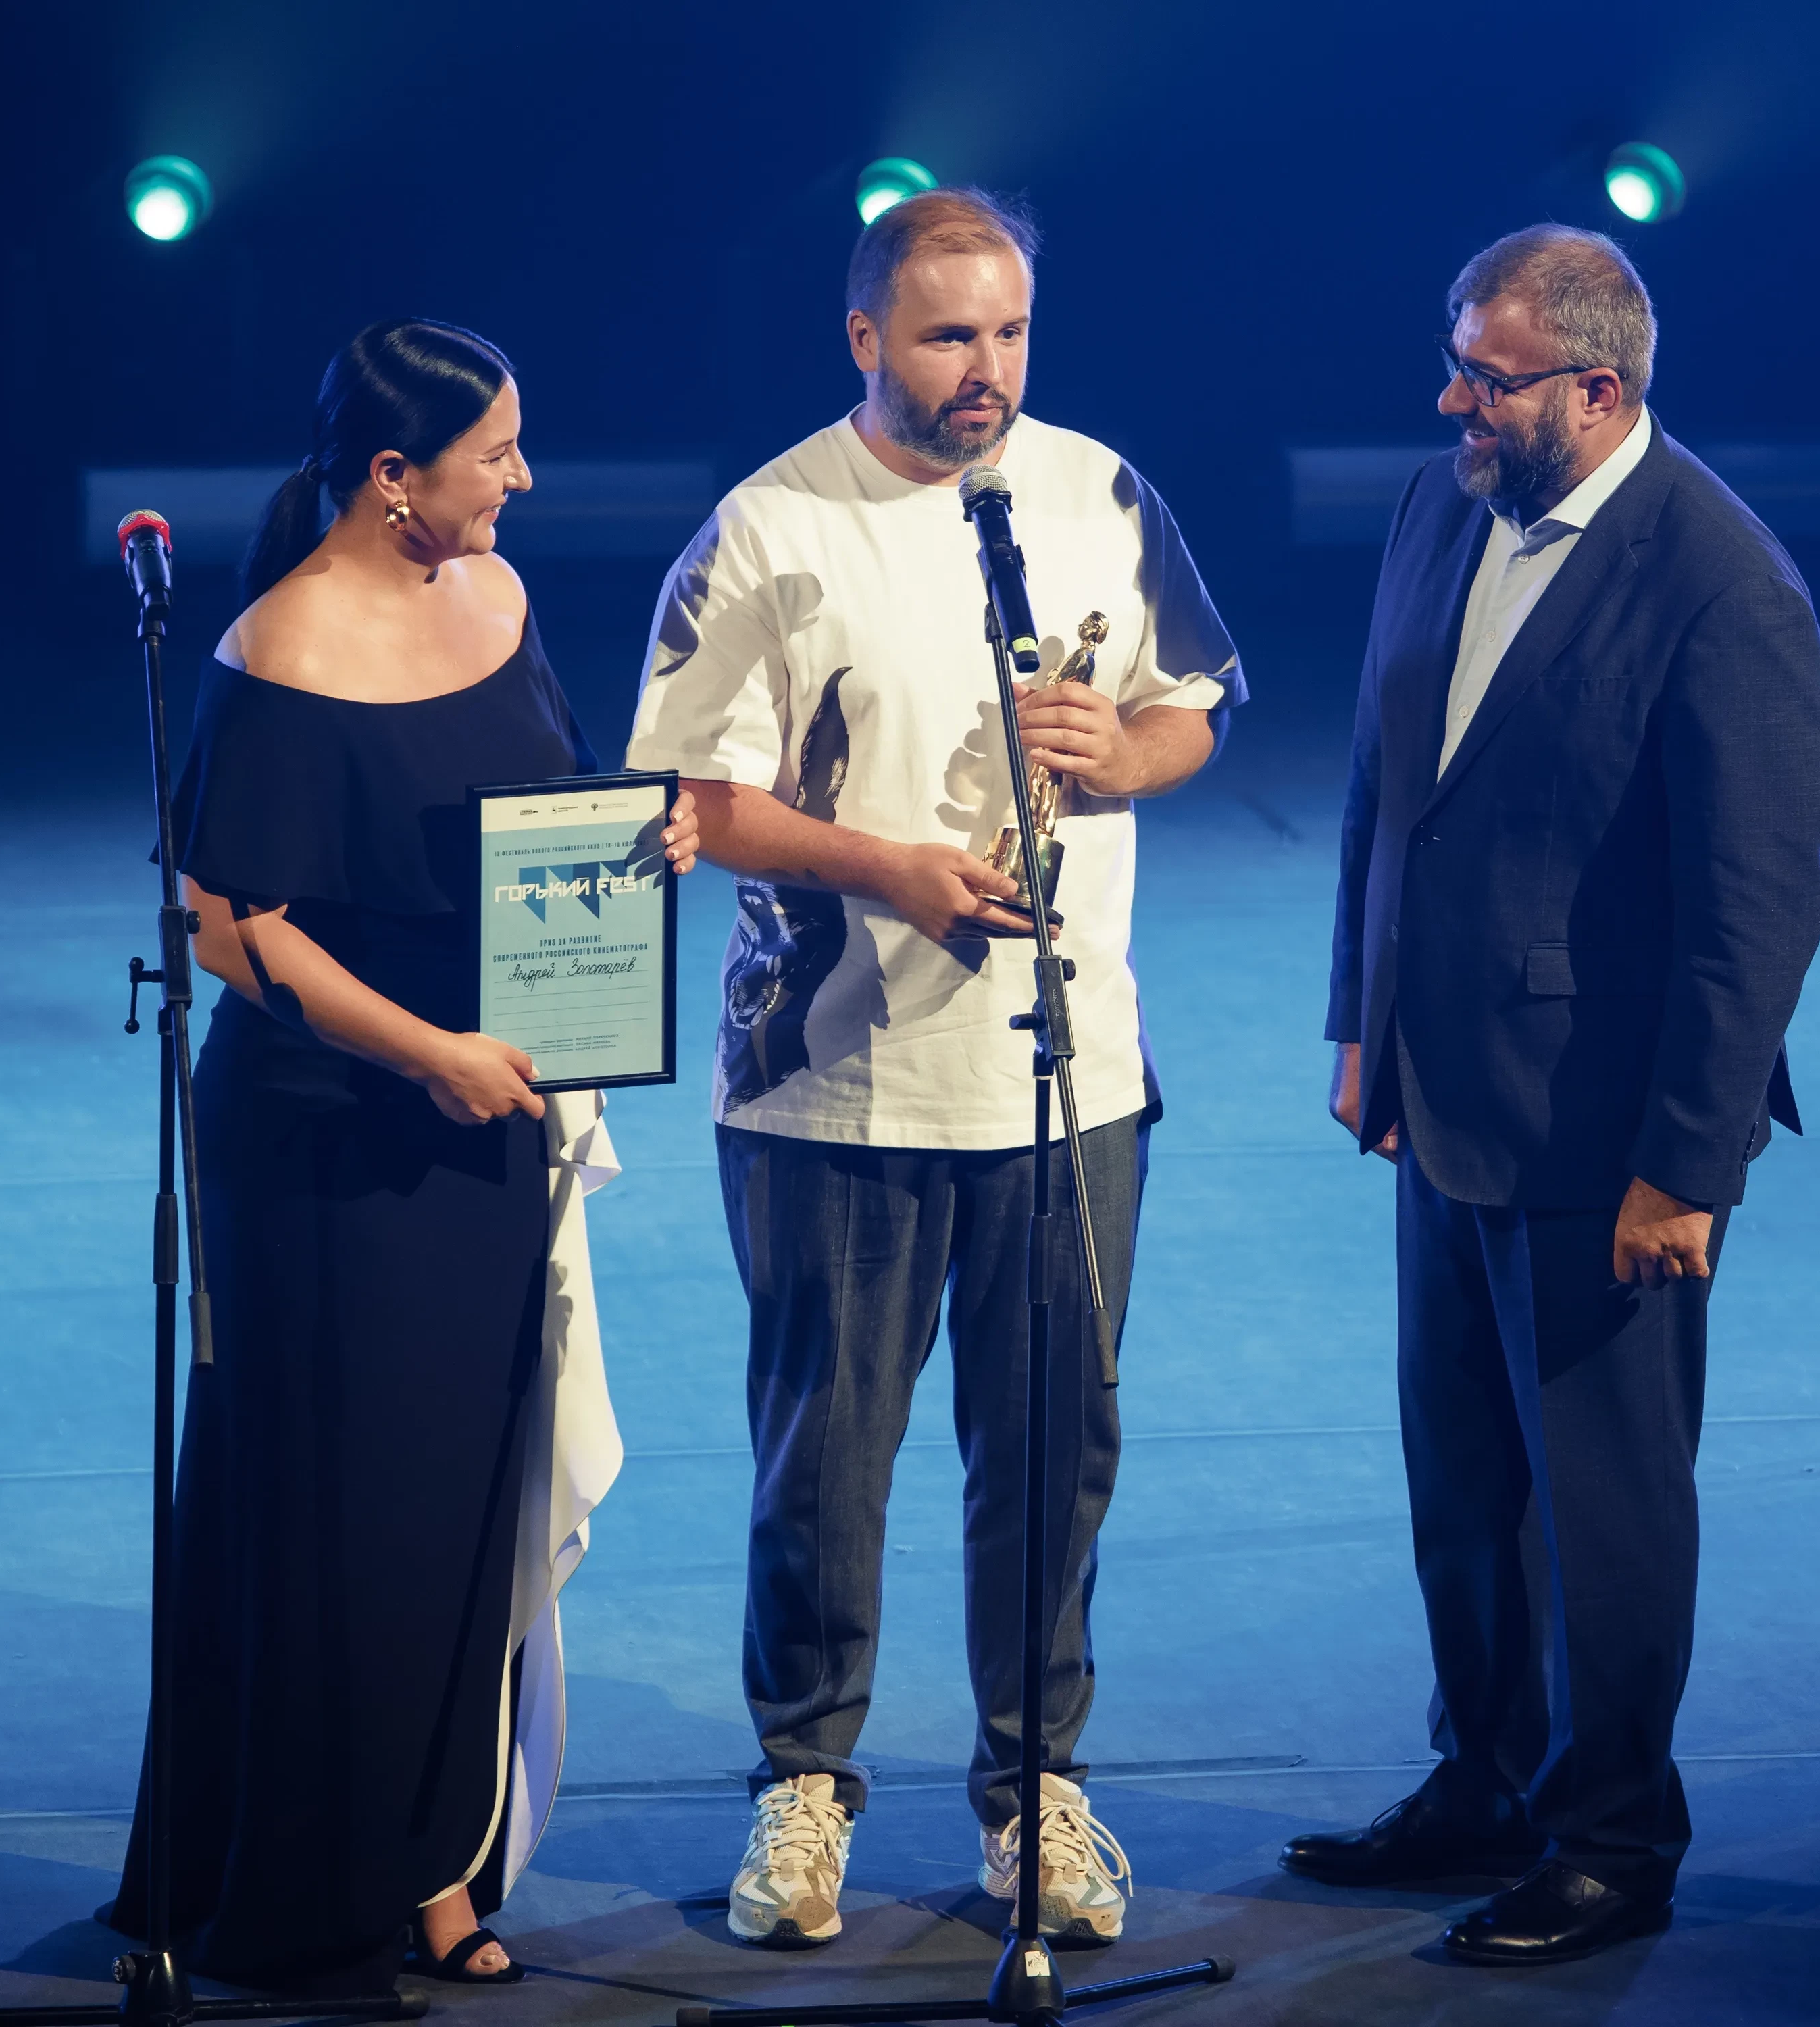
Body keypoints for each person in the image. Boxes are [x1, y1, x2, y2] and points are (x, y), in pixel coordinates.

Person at [624, 188, 1244, 1953]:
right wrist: (886, 870)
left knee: (1051, 1450)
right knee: (827, 1457)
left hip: (1066, 1074)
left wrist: (1122, 752)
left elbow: (1195, 706)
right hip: (831, 1079)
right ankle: (803, 1781)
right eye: (948, 335)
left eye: (1011, 334)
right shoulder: (768, 527)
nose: (987, 369)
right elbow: (692, 798)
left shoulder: (1099, 492)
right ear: (865, 339)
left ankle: (1034, 1784)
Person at [104, 319, 697, 1986]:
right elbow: (230, 927)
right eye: (495, 453)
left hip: (491, 1114)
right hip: (333, 1145)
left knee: (460, 1497)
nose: (525, 478)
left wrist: (648, 833)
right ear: (392, 476)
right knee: (343, 1511)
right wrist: (426, 1053)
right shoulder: (279, 650)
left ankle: (438, 1858)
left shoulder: (495, 595)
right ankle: (317, 1884)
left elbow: (543, 812)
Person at [1288, 226, 1820, 1964]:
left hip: (1607, 1135)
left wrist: (1689, 1166)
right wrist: (1363, 1022)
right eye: (1456, 362)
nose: (1453, 401)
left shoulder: (1722, 583)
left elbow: (1754, 911)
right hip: (1439, 1093)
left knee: (1604, 1504)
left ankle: (1613, 1839)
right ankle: (1485, 1781)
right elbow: (1387, 784)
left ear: (1596, 390)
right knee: (1464, 1485)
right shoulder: (1440, 506)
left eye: (1489, 377)